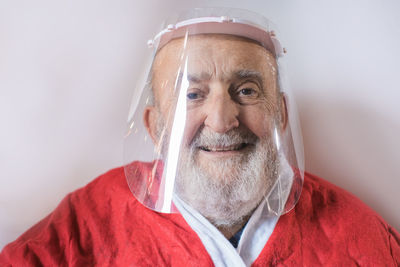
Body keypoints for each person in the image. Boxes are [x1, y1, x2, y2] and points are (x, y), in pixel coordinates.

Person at [1, 7, 399, 267]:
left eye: (246, 90)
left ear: (279, 114)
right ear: (156, 127)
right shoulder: (86, 224)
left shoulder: (357, 234)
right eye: (193, 94)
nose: (223, 119)